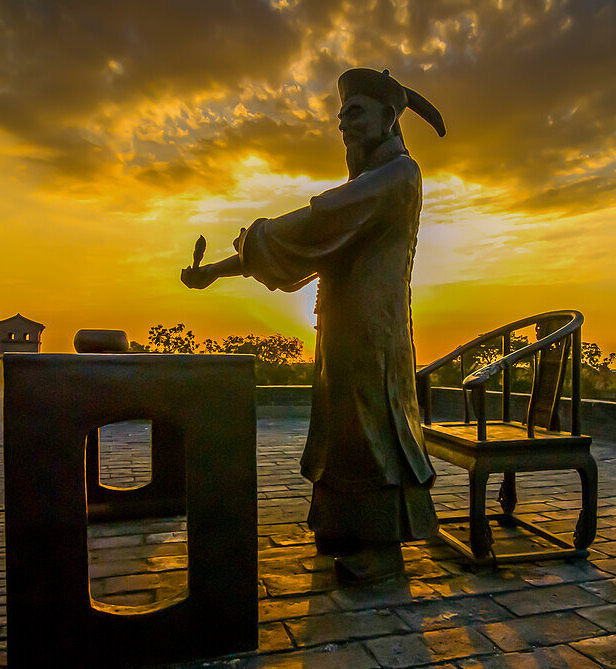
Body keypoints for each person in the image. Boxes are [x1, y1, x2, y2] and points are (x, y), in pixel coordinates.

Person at [181, 68, 445, 584]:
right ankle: (343, 527)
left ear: (389, 117)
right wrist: (217, 269)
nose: (342, 122)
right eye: (341, 113)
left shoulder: (399, 176)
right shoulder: (367, 184)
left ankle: (384, 547)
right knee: (340, 429)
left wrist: (254, 238)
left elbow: (318, 221)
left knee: (372, 430)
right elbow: (315, 244)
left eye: (354, 112)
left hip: (374, 330)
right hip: (341, 326)